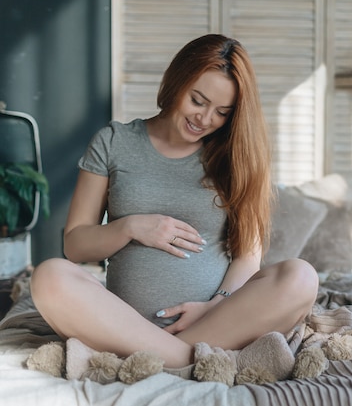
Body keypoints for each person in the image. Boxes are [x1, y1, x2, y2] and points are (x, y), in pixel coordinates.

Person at [29, 34, 319, 371]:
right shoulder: (114, 142)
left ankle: (159, 359)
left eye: (222, 112)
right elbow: (76, 246)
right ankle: (189, 360)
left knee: (302, 277)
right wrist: (130, 227)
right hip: (122, 326)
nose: (205, 119)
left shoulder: (236, 157)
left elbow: (247, 256)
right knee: (49, 276)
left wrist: (215, 305)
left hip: (215, 322)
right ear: (177, 81)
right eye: (198, 100)